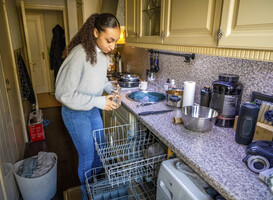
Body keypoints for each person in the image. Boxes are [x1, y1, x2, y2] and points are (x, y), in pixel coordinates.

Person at [55, 13, 121, 199]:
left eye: (115, 41)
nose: (113, 46)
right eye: (109, 40)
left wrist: (111, 88)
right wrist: (100, 101)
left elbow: (99, 81)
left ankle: (95, 189)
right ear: (95, 32)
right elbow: (64, 94)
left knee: (99, 153)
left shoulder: (103, 55)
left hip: (91, 110)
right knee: (88, 156)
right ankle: (87, 195)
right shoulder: (79, 54)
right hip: (75, 114)